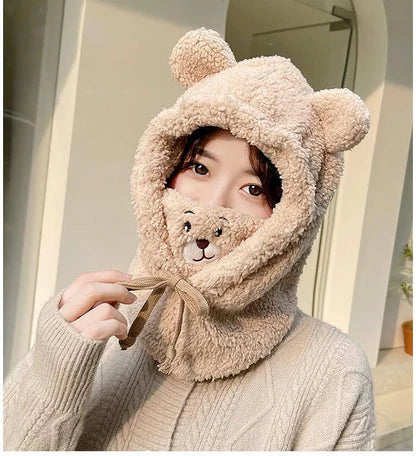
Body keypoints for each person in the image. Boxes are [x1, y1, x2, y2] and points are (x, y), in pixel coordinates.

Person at [3, 28, 376, 451]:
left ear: (296, 218)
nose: (211, 205)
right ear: (163, 169)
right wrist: (55, 378)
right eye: (200, 168)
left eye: (254, 188)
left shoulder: (334, 375)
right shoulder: (88, 323)